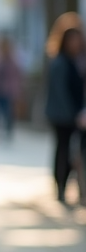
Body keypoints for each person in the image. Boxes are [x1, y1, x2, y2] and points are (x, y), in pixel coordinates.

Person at [44, 14, 84, 204]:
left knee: (71, 151)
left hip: (75, 115)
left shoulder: (77, 61)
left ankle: (70, 187)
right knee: (63, 150)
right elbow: (60, 92)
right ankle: (60, 187)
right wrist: (74, 114)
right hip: (62, 116)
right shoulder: (60, 63)